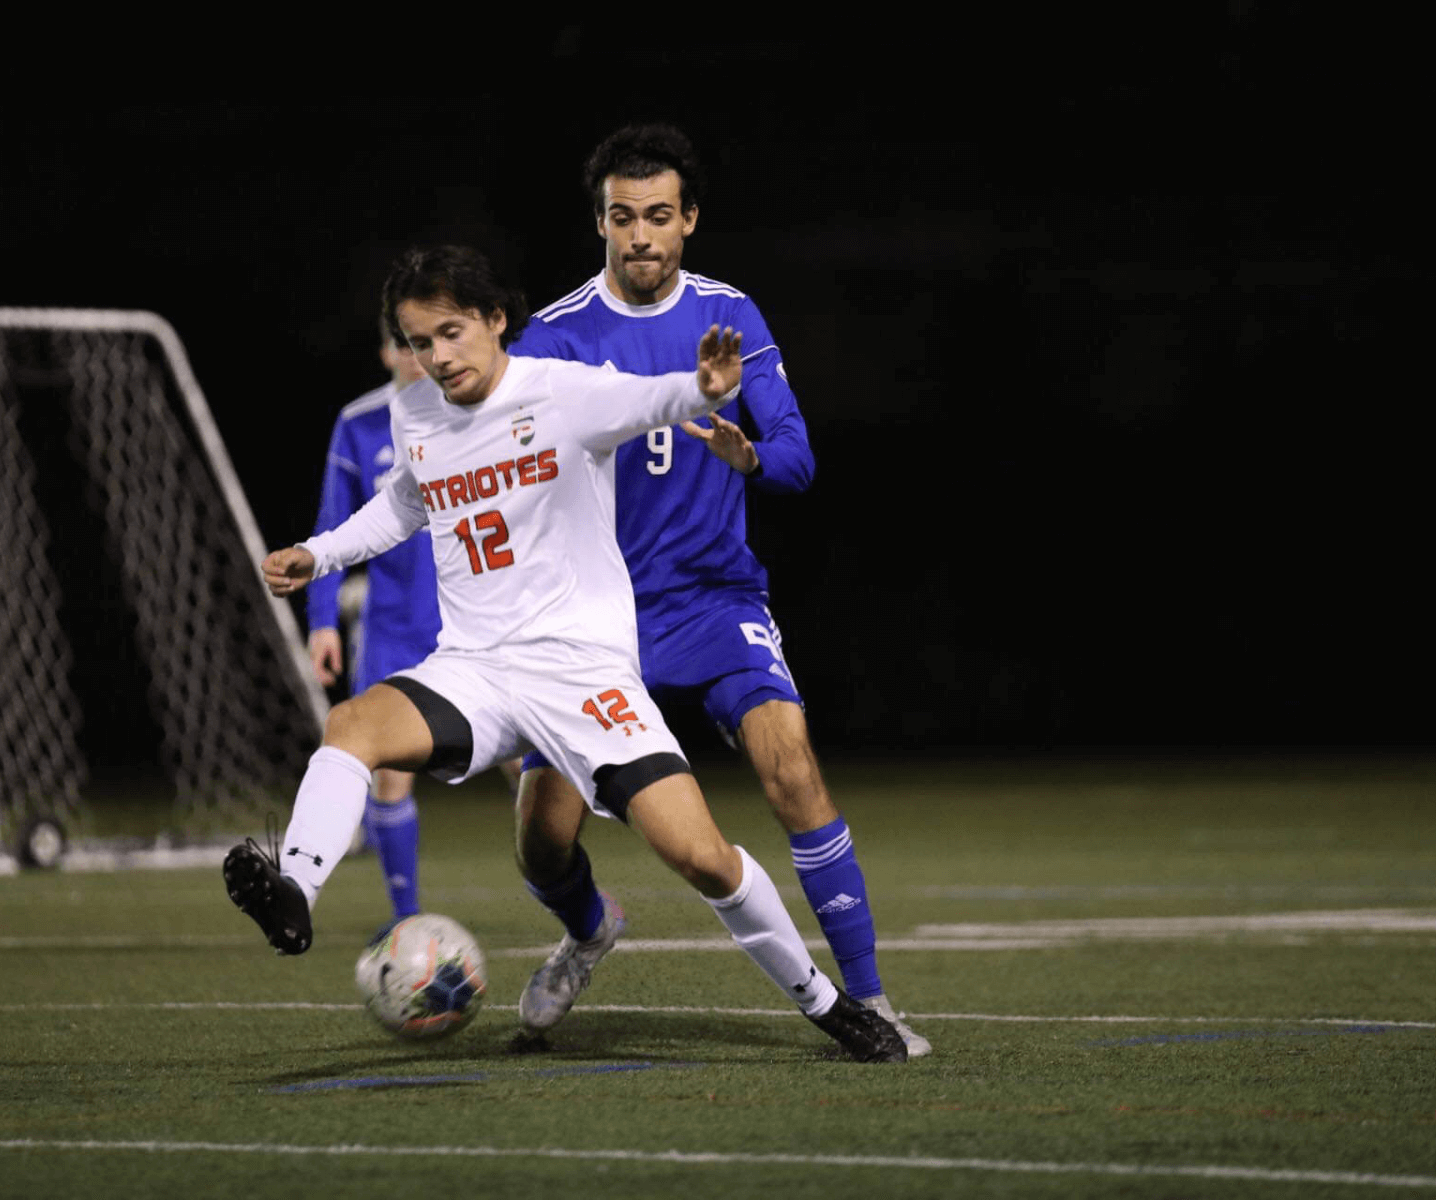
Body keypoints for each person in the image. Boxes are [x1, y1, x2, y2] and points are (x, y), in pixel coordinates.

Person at [223, 244, 906, 1063]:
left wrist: (706, 389)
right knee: (354, 725)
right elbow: (407, 500)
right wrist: (319, 553)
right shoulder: (418, 414)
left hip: (582, 674)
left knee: (700, 857)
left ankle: (832, 1007)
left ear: (495, 320)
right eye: (417, 343)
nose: (436, 358)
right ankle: (296, 887)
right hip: (474, 667)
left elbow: (653, 398)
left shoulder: (562, 392)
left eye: (449, 334)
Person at [509, 124, 930, 1056]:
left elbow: (798, 461)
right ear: (602, 223)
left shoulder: (733, 316)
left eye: (660, 216)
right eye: (624, 219)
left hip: (712, 600)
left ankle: (869, 1002)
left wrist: (749, 459)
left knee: (793, 770)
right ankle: (588, 928)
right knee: (540, 843)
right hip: (594, 621)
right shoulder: (553, 335)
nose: (642, 237)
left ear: (690, 220)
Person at [305, 322, 437, 921]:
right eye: (404, 344)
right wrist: (322, 621)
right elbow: (333, 525)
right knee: (387, 769)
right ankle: (406, 919)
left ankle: (566, 898)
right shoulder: (359, 422)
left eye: (427, 341)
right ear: (385, 351)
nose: (417, 356)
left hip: (475, 622)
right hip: (393, 625)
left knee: (527, 762)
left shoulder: (475, 409)